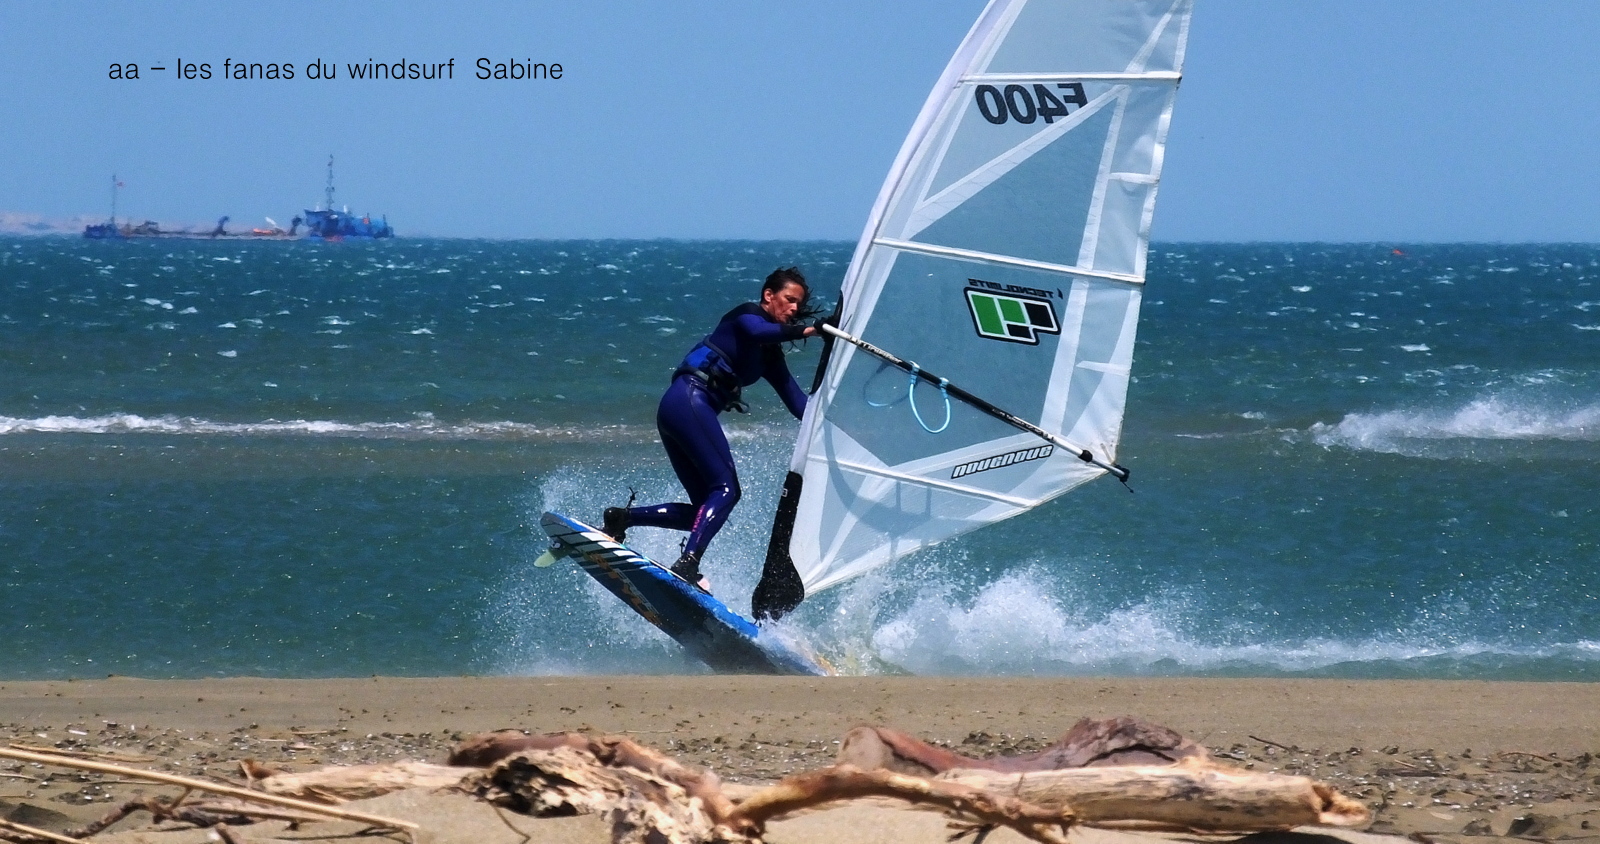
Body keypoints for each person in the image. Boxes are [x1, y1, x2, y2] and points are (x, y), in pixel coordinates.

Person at [602, 267, 820, 592]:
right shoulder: (746, 315)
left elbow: (799, 404)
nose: (793, 308)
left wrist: (837, 424)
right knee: (727, 490)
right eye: (789, 299)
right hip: (689, 400)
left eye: (798, 305)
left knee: (703, 510)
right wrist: (811, 330)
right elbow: (758, 332)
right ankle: (688, 563)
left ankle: (622, 519)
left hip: (680, 409)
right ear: (768, 295)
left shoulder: (770, 357)